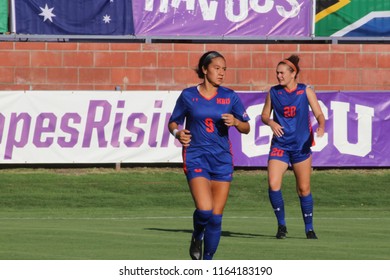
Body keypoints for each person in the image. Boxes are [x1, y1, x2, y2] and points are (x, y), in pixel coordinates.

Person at [168, 51, 250, 260]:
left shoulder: (230, 96)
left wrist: (236, 122)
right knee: (204, 209)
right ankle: (197, 236)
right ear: (204, 70)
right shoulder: (188, 95)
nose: (221, 73)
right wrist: (178, 133)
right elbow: (173, 122)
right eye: (217, 68)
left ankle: (207, 263)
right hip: (196, 156)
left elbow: (246, 127)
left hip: (222, 159)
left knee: (215, 217)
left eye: (224, 69)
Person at [261, 54, 325, 240]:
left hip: (300, 147)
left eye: (282, 73)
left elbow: (319, 113)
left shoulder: (305, 91)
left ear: (293, 73)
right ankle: (281, 226)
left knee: (303, 189)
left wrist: (321, 126)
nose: (279, 76)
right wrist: (271, 122)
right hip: (280, 146)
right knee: (273, 184)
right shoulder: (273, 92)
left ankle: (309, 228)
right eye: (277, 73)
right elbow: (265, 115)